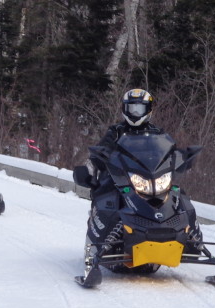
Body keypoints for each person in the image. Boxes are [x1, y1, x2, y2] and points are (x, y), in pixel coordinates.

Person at [74, 88, 201, 253]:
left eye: (139, 108)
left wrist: (182, 158)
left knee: (179, 196)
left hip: (150, 177)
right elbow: (101, 150)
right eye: (131, 108)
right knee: (108, 194)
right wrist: (95, 161)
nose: (135, 112)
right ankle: (99, 245)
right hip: (121, 177)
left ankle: (194, 242)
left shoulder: (157, 134)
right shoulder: (115, 131)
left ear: (148, 110)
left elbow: (168, 153)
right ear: (125, 109)